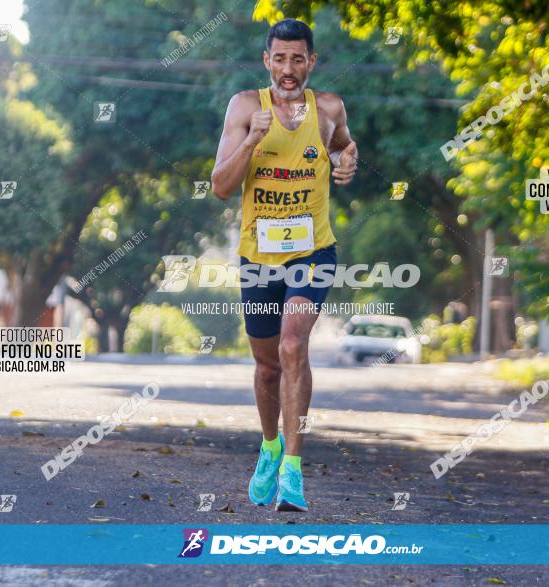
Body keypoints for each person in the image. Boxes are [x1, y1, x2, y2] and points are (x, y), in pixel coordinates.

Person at [210, 18, 358, 511]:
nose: (289, 69)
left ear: (311, 62)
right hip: (258, 257)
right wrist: (251, 141)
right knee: (268, 365)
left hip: (313, 251)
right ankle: (270, 446)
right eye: (280, 58)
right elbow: (221, 185)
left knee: (295, 344)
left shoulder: (330, 107)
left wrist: (347, 159)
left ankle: (293, 469)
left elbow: (341, 145)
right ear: (266, 60)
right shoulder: (245, 107)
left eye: (298, 59)